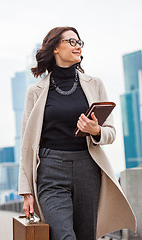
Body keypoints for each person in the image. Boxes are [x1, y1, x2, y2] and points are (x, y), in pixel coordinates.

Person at [18, 27, 136, 240]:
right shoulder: (35, 92)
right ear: (55, 48)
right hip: (50, 170)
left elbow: (111, 133)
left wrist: (96, 130)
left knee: (85, 236)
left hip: (87, 167)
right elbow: (27, 145)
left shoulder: (95, 84)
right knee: (64, 236)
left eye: (79, 41)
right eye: (71, 41)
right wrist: (26, 191)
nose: (78, 45)